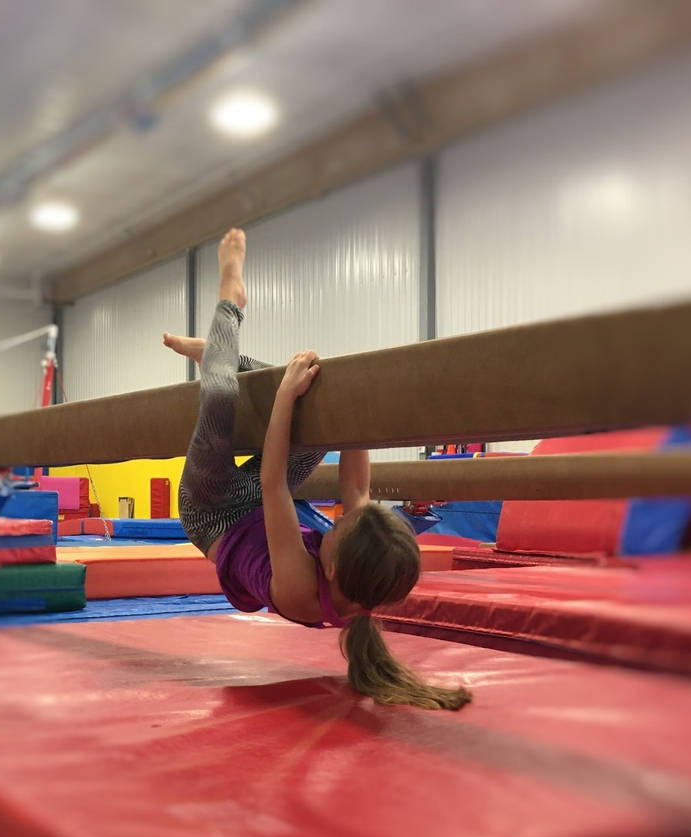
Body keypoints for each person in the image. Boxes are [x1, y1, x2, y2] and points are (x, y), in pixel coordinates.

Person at [163, 228, 470, 709]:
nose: (342, 512)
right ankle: (221, 356)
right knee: (319, 413)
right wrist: (351, 413)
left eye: (340, 522)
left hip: (212, 511)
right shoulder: (358, 566)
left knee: (223, 396)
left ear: (329, 565)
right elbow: (356, 483)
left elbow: (273, 488)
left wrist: (286, 393)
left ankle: (229, 303)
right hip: (258, 509)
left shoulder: (302, 590)